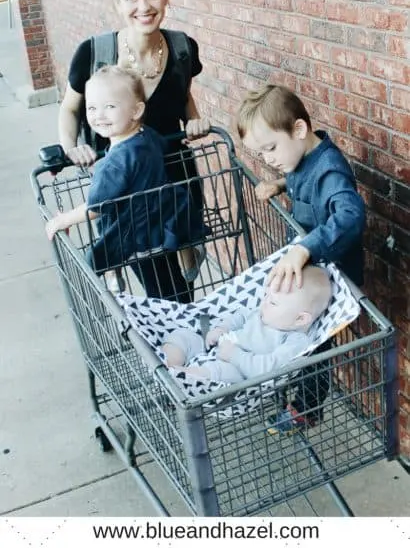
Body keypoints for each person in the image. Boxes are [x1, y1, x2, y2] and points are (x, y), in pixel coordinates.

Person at [58, 0, 210, 302]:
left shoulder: (183, 47)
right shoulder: (94, 53)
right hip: (127, 187)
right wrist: (71, 146)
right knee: (165, 287)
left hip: (176, 176)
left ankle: (181, 326)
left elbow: (183, 96)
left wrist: (194, 120)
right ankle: (176, 341)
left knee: (185, 272)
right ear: (117, 3)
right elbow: (69, 108)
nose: (144, 6)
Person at [236, 83, 366, 428]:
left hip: (330, 277)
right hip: (310, 267)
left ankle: (307, 408)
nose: (269, 159)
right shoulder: (301, 155)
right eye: (262, 154)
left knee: (312, 345)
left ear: (299, 129)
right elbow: (300, 177)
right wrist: (279, 185)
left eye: (271, 149)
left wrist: (305, 247)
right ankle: (273, 368)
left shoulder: (330, 169)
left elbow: (350, 215)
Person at [47, 67, 205, 290]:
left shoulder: (115, 163)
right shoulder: (148, 136)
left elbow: (97, 206)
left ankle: (118, 275)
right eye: (91, 108)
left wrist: (63, 220)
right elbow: (162, 148)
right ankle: (179, 276)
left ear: (136, 110)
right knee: (171, 284)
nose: (98, 115)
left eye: (110, 106)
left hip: (138, 236)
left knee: (160, 290)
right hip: (161, 220)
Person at [161, 265, 331, 385]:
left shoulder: (295, 340)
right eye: (266, 295)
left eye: (273, 302)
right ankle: (169, 367)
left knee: (220, 374)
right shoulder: (262, 313)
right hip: (213, 348)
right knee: (181, 335)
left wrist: (235, 356)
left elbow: (269, 367)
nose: (263, 302)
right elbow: (240, 315)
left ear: (300, 319)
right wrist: (221, 329)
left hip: (238, 370)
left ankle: (183, 377)